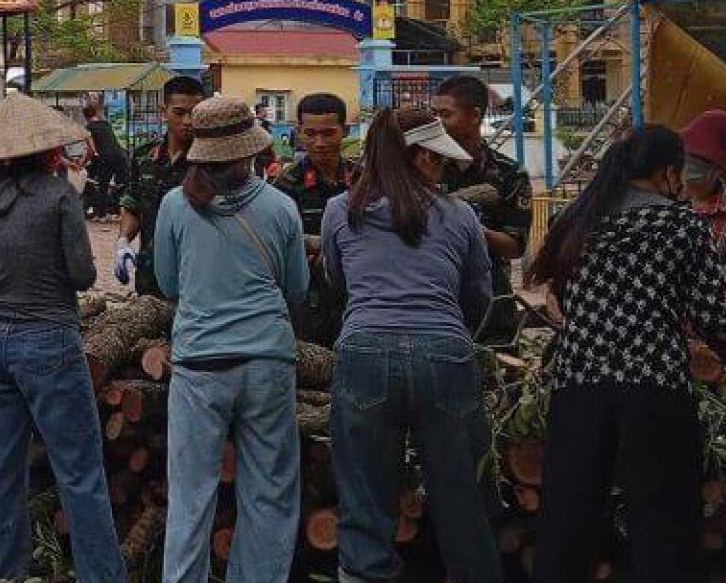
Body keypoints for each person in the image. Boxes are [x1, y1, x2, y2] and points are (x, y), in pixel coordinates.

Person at [525, 126, 726, 583]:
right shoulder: (682, 226)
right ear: (668, 173)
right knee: (663, 522)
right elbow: (713, 314)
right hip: (655, 388)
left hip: (579, 388)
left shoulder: (577, 221)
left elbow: (558, 298)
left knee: (568, 519)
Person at [321, 107, 499, 583]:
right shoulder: (459, 215)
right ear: (420, 157)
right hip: (446, 353)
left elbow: (336, 280)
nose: (442, 168)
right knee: (465, 501)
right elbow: (480, 295)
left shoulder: (342, 210)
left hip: (364, 352)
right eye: (438, 159)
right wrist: (447, 333)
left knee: (364, 503)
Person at [0, 93, 127, 583]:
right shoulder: (58, 198)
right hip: (48, 340)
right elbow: (80, 275)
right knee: (79, 469)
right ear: (47, 149)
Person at [152, 96, 309, 583]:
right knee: (269, 492)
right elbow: (297, 289)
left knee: (191, 496)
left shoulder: (175, 206)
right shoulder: (281, 206)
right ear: (250, 152)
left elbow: (168, 284)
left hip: (199, 365)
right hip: (267, 362)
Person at [430, 74, 533, 344]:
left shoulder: (509, 173)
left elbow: (515, 246)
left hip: (490, 299)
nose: (437, 122)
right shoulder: (424, 167)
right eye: (434, 113)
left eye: (446, 114)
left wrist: (471, 228)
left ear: (475, 115)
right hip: (434, 297)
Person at [272, 93, 358, 346]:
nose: (319, 142)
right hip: (307, 302)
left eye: (328, 133)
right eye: (310, 133)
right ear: (298, 132)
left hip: (358, 298)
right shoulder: (286, 186)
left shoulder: (365, 181)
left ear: (345, 131)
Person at [118, 74, 206, 299]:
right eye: (179, 113)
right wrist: (123, 241)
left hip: (196, 279)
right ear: (163, 111)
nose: (187, 121)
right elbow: (133, 204)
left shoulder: (209, 163)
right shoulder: (143, 157)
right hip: (150, 275)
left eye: (194, 113)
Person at [681, 110, 726, 318]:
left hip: (711, 334)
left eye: (698, 162)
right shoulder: (661, 205)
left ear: (719, 171)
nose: (687, 170)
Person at [81, 100, 128, 218]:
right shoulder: (106, 124)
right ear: (95, 113)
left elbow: (91, 150)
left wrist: (83, 162)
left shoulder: (88, 128)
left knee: (102, 185)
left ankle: (102, 215)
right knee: (122, 184)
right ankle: (120, 212)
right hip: (121, 155)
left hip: (106, 157)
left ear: (85, 116)